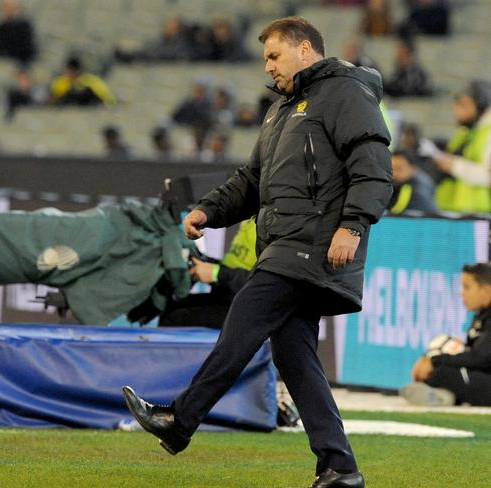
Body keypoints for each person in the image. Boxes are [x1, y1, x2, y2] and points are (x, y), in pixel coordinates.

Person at [122, 16, 392, 488]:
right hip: (287, 246)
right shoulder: (281, 110)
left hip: (310, 246)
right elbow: (251, 181)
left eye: (274, 56)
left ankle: (179, 421)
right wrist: (208, 211)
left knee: (243, 321)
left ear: (305, 49)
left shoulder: (346, 93)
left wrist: (353, 224)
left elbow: (373, 165)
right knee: (296, 359)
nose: (267, 67)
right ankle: (340, 467)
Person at [401, 263, 491, 406]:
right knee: (446, 361)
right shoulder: (481, 316)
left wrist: (434, 360)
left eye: (467, 287)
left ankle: (445, 396)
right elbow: (471, 353)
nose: (462, 293)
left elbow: (479, 358)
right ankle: (444, 396)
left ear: (486, 291)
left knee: (442, 374)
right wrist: (429, 357)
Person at [160, 219, 256, 329]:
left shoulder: (273, 228)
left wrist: (217, 273)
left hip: (247, 309)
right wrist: (202, 261)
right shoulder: (252, 219)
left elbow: (268, 284)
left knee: (176, 319)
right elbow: (235, 262)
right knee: (170, 306)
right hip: (228, 296)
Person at [432, 80, 491, 213]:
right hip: (451, 209)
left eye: (464, 105)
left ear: (480, 106)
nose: (457, 110)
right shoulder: (465, 131)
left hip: (480, 216)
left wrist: (454, 165)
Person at [0, 0, 37, 65]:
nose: (9, 9)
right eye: (6, 7)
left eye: (12, 7)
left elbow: (28, 51)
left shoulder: (25, 28)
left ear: (18, 8)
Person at [49, 57, 116, 107]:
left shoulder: (89, 81)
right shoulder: (62, 81)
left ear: (77, 70)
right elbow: (54, 96)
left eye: (71, 71)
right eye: (68, 71)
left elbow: (106, 97)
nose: (69, 74)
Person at [387, 150, 437, 214]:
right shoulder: (401, 184)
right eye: (391, 169)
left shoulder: (416, 191)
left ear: (413, 168)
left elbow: (395, 213)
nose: (394, 174)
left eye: (399, 169)